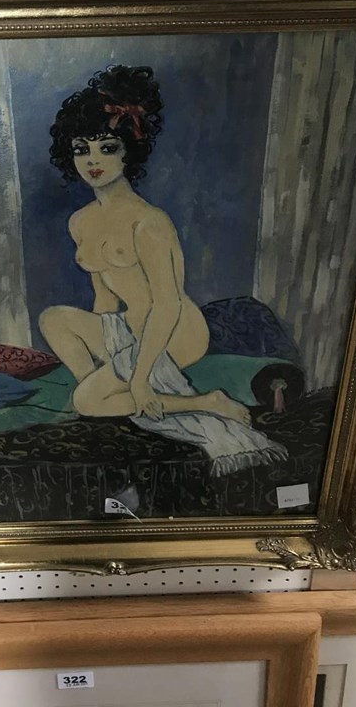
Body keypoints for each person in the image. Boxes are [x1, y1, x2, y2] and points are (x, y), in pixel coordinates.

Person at [39, 65, 287, 473]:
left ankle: (206, 402)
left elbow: (168, 303)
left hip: (175, 331)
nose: (93, 161)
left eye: (107, 148)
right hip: (127, 327)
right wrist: (107, 347)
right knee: (53, 319)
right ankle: (105, 394)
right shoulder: (80, 221)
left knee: (88, 401)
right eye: (82, 149)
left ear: (129, 152)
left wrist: (139, 377)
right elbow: (104, 297)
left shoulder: (150, 222)